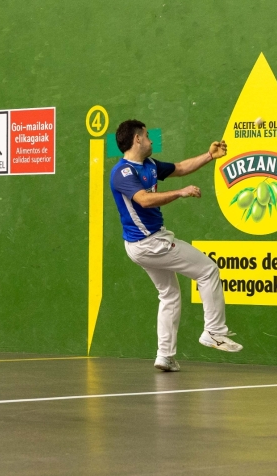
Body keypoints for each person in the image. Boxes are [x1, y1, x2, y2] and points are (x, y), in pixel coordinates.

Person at [109, 119, 243, 372]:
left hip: (143, 245)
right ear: (137, 139)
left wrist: (209, 156)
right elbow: (145, 200)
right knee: (208, 270)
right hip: (151, 243)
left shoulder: (149, 165)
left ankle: (165, 356)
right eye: (147, 135)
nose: (151, 140)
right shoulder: (123, 172)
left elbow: (180, 167)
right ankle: (214, 332)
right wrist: (180, 193)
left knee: (169, 294)